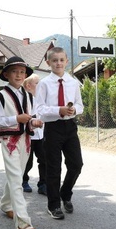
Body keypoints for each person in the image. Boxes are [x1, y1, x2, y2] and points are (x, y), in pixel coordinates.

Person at [0, 56, 42, 229]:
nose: (19, 75)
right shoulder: (1, 96)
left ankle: (6, 205)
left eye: (22, 72)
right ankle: (23, 223)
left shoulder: (29, 96)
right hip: (9, 141)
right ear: (6, 74)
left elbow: (32, 116)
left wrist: (35, 122)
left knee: (17, 175)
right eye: (14, 71)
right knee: (16, 180)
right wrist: (16, 119)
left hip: (26, 140)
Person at [34, 47, 84, 220]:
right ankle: (53, 205)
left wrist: (73, 110)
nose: (58, 63)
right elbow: (39, 109)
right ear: (48, 63)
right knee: (54, 168)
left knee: (76, 164)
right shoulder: (44, 83)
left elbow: (80, 105)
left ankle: (65, 193)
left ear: (67, 61)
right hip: (53, 128)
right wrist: (59, 110)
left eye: (61, 60)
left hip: (70, 127)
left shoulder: (73, 82)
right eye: (54, 60)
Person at [22, 73, 46, 194]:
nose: (40, 85)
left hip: (41, 135)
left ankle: (43, 184)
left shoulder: (42, 98)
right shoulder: (24, 98)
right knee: (28, 160)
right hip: (28, 134)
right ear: (28, 85)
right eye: (37, 83)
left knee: (44, 159)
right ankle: (24, 180)